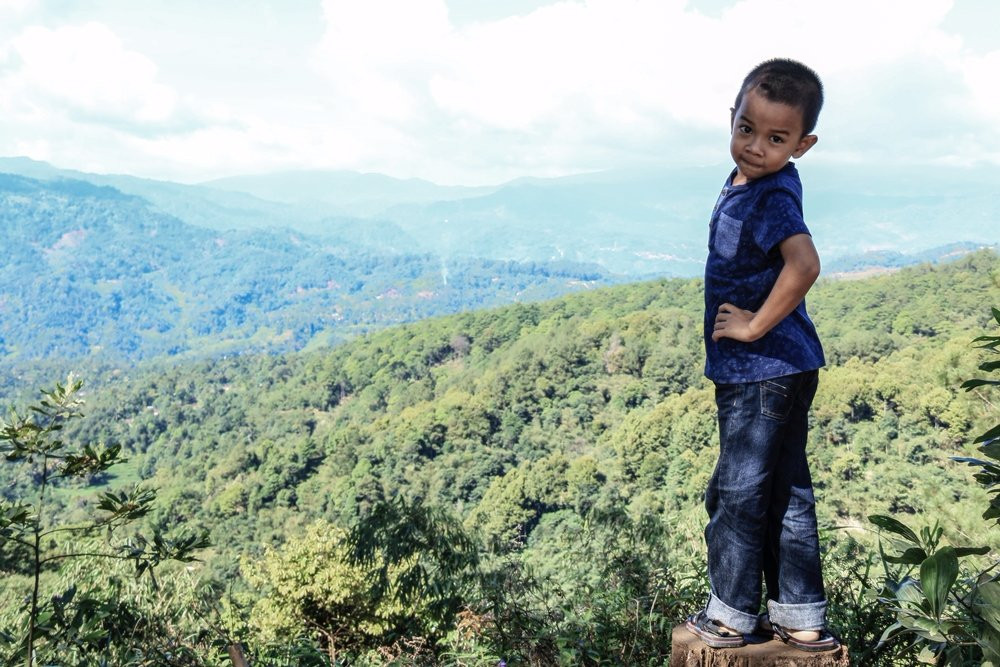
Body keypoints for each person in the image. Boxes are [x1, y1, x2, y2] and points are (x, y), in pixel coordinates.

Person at [685, 58, 839, 653]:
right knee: (785, 491)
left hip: (762, 373)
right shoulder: (754, 183)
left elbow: (805, 265)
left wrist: (751, 328)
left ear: (804, 144)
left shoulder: (771, 196)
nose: (755, 146)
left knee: (739, 494)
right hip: (789, 368)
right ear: (732, 118)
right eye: (747, 129)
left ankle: (729, 617)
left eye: (777, 139)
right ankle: (801, 616)